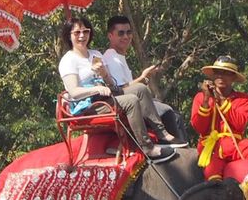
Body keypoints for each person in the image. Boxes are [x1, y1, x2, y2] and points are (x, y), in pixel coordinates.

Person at [57, 16, 173, 161]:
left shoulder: (95, 54)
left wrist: (104, 74)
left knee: (140, 88)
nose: (82, 36)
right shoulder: (68, 60)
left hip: (107, 96)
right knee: (130, 100)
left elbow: (112, 84)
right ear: (69, 36)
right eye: (77, 32)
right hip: (89, 105)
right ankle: (147, 147)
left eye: (85, 31)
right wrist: (97, 89)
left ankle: (161, 132)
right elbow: (74, 92)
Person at [101, 15, 189, 148]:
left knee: (169, 110)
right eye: (121, 33)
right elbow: (120, 89)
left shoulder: (119, 56)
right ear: (110, 36)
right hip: (124, 102)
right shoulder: (111, 57)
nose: (126, 36)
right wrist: (142, 78)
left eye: (129, 32)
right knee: (168, 112)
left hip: (132, 98)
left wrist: (145, 78)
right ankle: (172, 145)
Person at [190, 55, 248, 179]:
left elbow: (240, 124)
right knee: (213, 177)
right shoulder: (201, 97)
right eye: (218, 72)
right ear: (213, 75)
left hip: (235, 146)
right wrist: (206, 100)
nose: (221, 76)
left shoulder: (244, 99)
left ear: (233, 77)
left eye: (226, 73)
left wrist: (221, 101)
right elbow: (199, 127)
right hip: (211, 149)